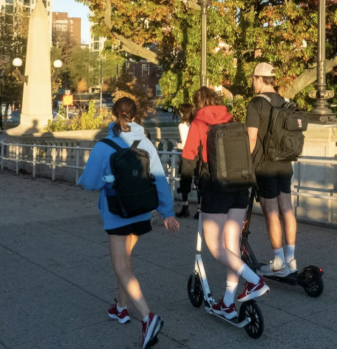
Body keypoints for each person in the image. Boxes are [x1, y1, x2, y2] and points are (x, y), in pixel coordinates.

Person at [78, 97, 179, 349]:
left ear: (114, 115)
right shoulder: (145, 142)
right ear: (136, 115)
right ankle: (122, 308)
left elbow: (90, 182)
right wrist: (167, 213)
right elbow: (159, 179)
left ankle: (148, 317)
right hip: (142, 212)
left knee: (120, 265)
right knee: (127, 259)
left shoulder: (104, 146)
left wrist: (104, 179)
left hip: (117, 214)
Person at [181, 87, 268, 320]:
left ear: (198, 103)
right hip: (239, 188)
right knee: (232, 246)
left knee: (216, 247)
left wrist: (184, 189)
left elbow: (189, 159)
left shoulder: (199, 124)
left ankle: (254, 281)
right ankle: (228, 303)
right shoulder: (232, 121)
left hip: (215, 187)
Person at [246, 63, 298, 277]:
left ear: (259, 79)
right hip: (285, 162)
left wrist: (246, 165)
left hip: (265, 164)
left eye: (253, 78)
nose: (252, 82)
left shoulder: (256, 103)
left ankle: (277, 261)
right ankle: (291, 259)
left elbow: (251, 138)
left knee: (271, 212)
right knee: (287, 208)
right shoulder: (287, 103)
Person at [175, 103, 196, 218]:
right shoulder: (195, 124)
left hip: (187, 156)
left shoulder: (182, 125)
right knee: (198, 181)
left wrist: (177, 145)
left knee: (184, 181)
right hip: (197, 155)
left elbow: (185, 143)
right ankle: (199, 209)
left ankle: (185, 207)